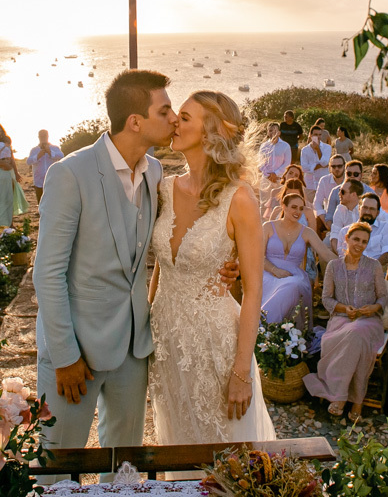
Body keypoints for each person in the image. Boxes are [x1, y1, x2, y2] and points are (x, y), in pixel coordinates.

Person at [34, 70, 239, 462]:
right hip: (76, 353)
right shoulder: (69, 175)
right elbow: (47, 273)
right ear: (135, 122)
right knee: (57, 462)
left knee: (123, 464)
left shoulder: (157, 174)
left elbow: (181, 238)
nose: (174, 120)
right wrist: (64, 356)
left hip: (134, 349)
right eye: (165, 111)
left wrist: (227, 264)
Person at [149, 90, 277, 444]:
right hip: (167, 344)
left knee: (224, 455)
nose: (175, 120)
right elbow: (163, 266)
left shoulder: (240, 199)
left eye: (185, 118)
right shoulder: (164, 188)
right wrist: (147, 317)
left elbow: (253, 293)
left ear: (210, 131)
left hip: (216, 347)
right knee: (178, 444)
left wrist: (241, 372)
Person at [303, 223, 388, 421]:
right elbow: (326, 299)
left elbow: (383, 297)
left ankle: (341, 398)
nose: (360, 244)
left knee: (357, 333)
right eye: (356, 239)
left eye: (364, 241)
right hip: (341, 320)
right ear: (347, 239)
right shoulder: (334, 266)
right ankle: (356, 401)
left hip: (369, 321)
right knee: (354, 337)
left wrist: (373, 308)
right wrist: (343, 308)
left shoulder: (374, 266)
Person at [260, 190, 336, 329]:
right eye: (294, 207)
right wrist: (275, 270)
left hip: (294, 275)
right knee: (277, 285)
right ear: (283, 206)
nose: (298, 211)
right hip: (268, 272)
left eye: (301, 208)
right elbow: (258, 256)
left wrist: (351, 262)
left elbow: (326, 254)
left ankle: (267, 329)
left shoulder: (306, 232)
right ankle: (264, 328)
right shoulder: (269, 227)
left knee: (293, 285)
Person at [258, 122, 291, 214]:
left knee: (279, 204)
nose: (273, 133)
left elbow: (287, 163)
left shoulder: (285, 146)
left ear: (279, 132)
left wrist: (275, 174)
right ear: (268, 132)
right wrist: (268, 175)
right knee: (264, 204)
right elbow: (260, 162)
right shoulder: (263, 146)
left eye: (275, 131)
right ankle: (263, 226)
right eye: (270, 131)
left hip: (279, 179)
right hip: (266, 179)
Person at [357, 193, 388, 265]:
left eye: (372, 209)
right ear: (359, 209)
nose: (367, 212)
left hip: (378, 269)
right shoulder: (346, 230)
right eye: (365, 208)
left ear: (378, 213)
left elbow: (387, 254)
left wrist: (372, 269)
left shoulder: (386, 228)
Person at [312, 155, 347, 236]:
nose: (337, 169)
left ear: (345, 166)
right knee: (315, 221)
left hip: (346, 215)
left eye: (339, 166)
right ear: (330, 168)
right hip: (329, 216)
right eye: (333, 166)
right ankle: (317, 247)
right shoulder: (324, 180)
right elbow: (317, 203)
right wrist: (325, 220)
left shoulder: (349, 180)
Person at [328, 178, 365, 253]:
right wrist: (339, 253)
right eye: (339, 191)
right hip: (344, 246)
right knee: (325, 246)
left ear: (353, 195)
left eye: (342, 192)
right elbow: (335, 233)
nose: (339, 194)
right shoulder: (340, 209)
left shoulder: (366, 209)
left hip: (364, 245)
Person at [27, 129, 63, 204]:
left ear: (48, 136)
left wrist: (50, 152)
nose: (43, 137)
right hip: (39, 182)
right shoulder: (34, 150)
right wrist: (37, 156)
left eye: (45, 135)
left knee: (52, 203)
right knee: (41, 203)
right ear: (38, 137)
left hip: (52, 180)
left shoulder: (54, 148)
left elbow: (61, 156)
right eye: (41, 136)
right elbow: (28, 161)